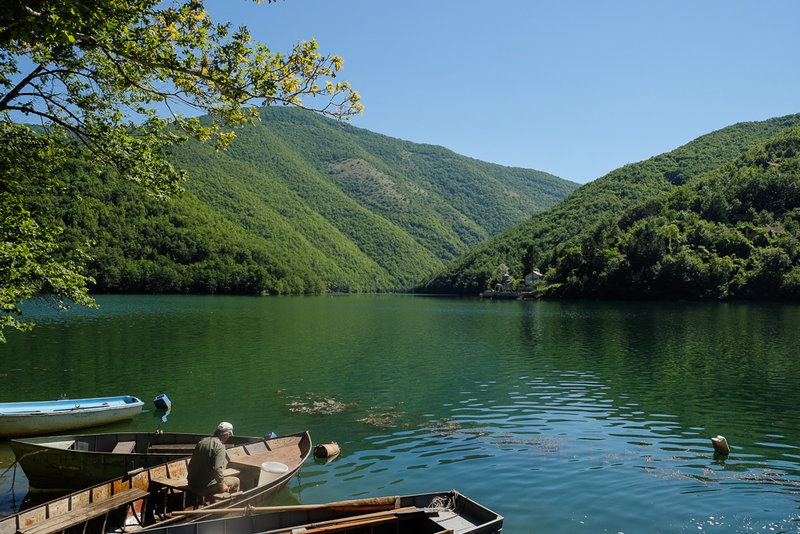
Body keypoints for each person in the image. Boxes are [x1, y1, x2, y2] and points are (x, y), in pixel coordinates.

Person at [187, 421, 241, 496]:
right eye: (229, 435)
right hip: (202, 488)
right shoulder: (220, 446)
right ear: (226, 435)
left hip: (191, 484)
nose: (228, 437)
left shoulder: (202, 441)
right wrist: (222, 484)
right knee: (236, 480)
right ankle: (230, 503)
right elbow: (216, 468)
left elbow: (191, 464)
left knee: (219, 477)